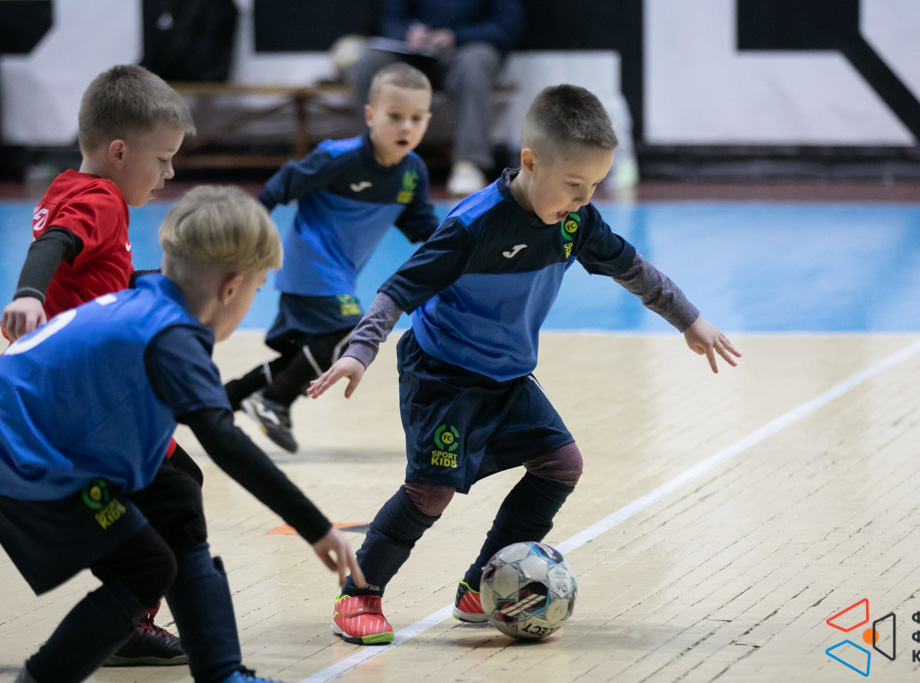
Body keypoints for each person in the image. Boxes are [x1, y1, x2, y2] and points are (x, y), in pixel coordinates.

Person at [306, 84, 742, 644]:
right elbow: (398, 289)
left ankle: (480, 585)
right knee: (430, 493)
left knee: (561, 464)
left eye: (595, 185)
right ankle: (359, 595)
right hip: (442, 374)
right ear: (530, 162)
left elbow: (633, 269)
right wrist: (359, 352)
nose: (584, 199)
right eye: (574, 184)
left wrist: (689, 319)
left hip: (508, 377)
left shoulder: (575, 222)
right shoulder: (474, 224)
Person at [0, 185, 366, 683]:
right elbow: (225, 442)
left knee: (174, 493)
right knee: (147, 567)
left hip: (32, 437)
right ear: (231, 288)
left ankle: (222, 673)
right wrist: (316, 526)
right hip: (19, 454)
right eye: (259, 287)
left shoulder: (150, 300)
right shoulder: (172, 337)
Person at [0, 63, 198, 666]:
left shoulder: (66, 186)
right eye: (162, 159)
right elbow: (54, 245)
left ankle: (133, 610)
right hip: (81, 404)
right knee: (177, 491)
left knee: (174, 488)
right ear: (118, 152)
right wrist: (28, 294)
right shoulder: (102, 199)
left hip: (63, 396)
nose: (169, 174)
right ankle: (133, 620)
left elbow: (94, 271)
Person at [225, 63, 438, 454]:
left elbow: (421, 225)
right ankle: (273, 402)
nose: (405, 127)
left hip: (339, 276)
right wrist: (247, 244)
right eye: (395, 116)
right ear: (370, 115)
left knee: (311, 352)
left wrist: (462, 256)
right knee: (352, 332)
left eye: (415, 118)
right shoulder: (338, 158)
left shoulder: (412, 173)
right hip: (310, 268)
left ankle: (228, 398)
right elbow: (278, 188)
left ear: (427, 120)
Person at [349, 0, 524, 197]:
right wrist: (408, 34)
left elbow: (506, 26)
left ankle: (469, 164)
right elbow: (391, 20)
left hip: (467, 49)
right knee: (370, 63)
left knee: (475, 64)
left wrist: (455, 36)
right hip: (416, 52)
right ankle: (377, 161)